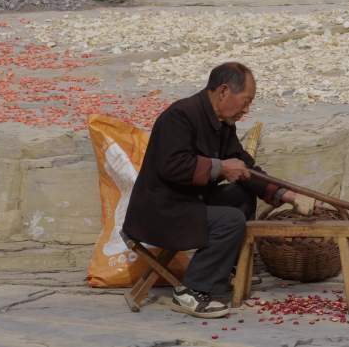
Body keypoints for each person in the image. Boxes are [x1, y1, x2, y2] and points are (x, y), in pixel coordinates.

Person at [123, 62, 315, 318]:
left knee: (242, 195)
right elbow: (172, 166)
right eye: (245, 101)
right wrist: (220, 167)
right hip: (160, 211)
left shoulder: (222, 123)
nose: (246, 110)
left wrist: (286, 195)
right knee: (230, 220)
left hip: (189, 202)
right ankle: (192, 291)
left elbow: (246, 168)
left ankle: (225, 269)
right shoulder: (179, 116)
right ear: (224, 91)